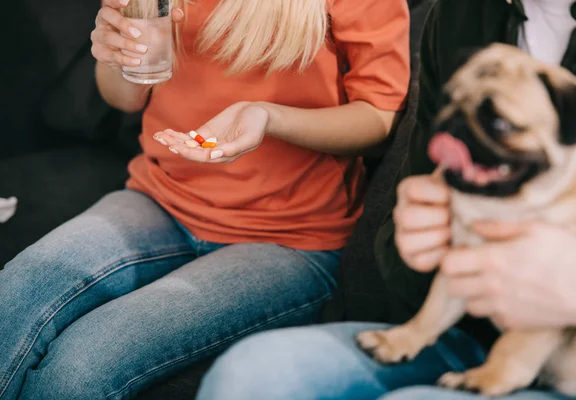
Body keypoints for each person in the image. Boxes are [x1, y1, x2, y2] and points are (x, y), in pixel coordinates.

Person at [0, 0, 410, 398]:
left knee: (83, 362)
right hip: (161, 197)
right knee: (14, 294)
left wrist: (269, 117)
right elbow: (125, 98)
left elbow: (379, 116)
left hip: (290, 238)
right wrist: (115, 52)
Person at [196, 0, 576, 399]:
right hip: (467, 335)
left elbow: (375, 111)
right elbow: (408, 233)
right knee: (250, 374)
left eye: (499, 121)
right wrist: (416, 242)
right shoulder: (464, 12)